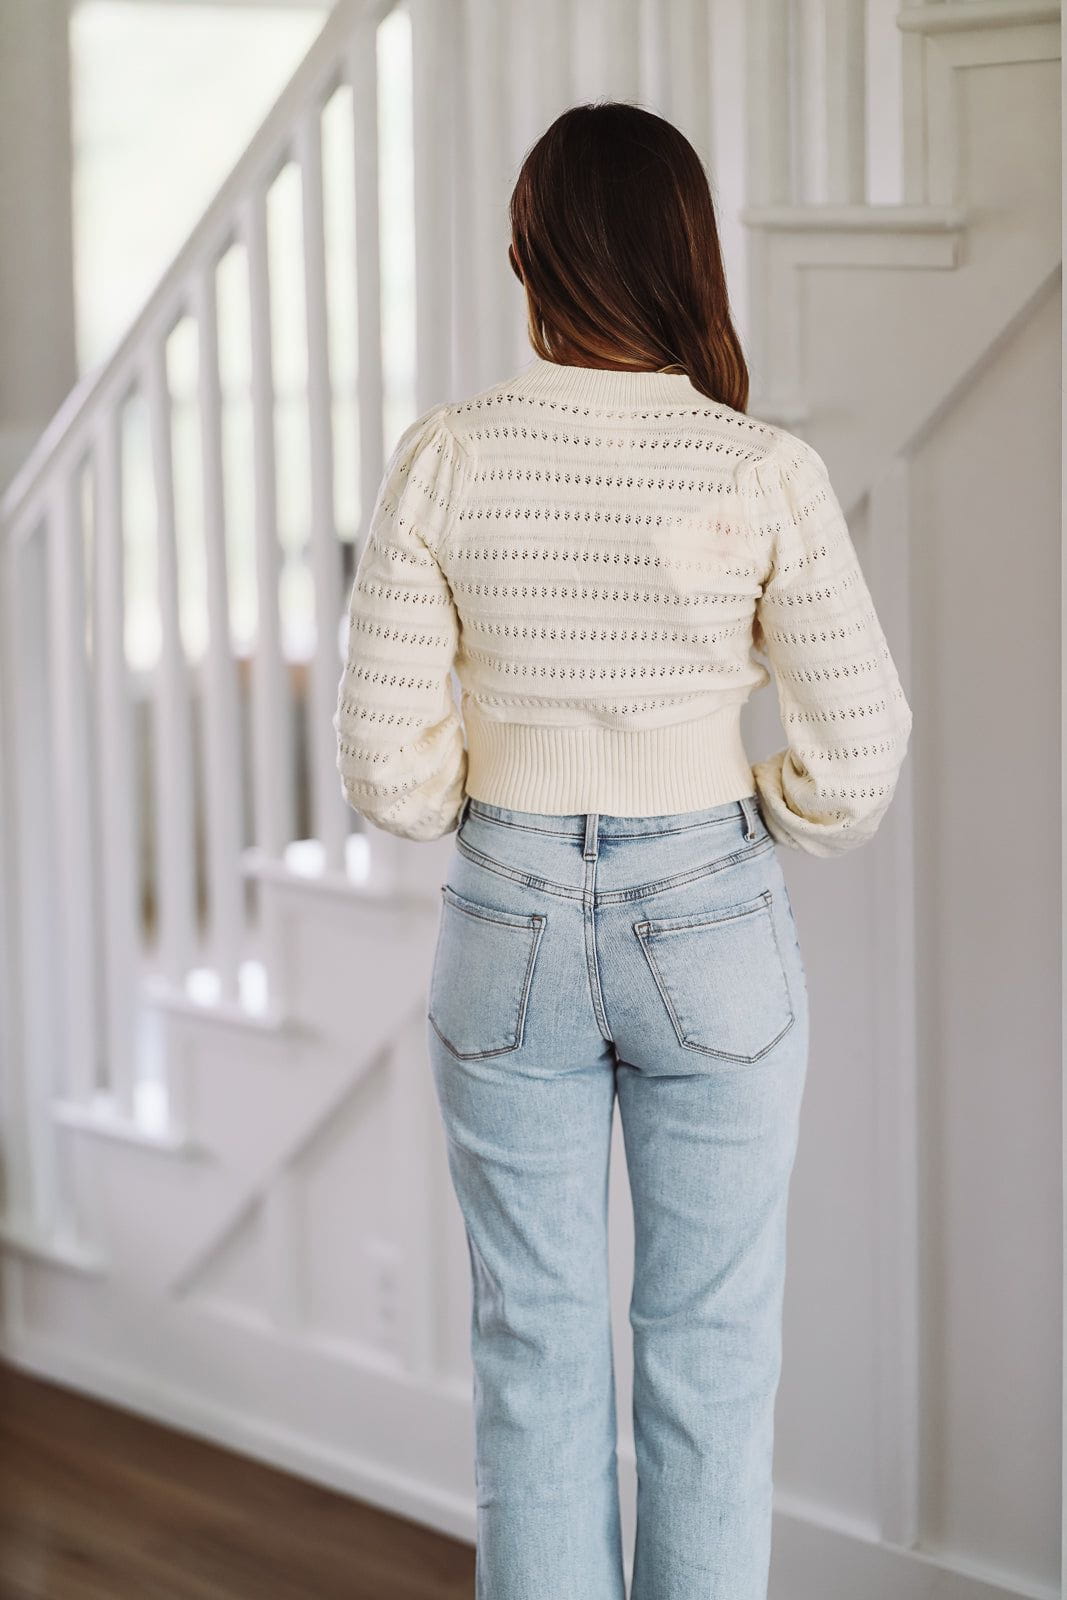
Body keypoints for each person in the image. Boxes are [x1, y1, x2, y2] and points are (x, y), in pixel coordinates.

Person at [333, 101, 912, 1600]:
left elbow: (388, 770)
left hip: (505, 916)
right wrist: (733, 812)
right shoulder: (761, 467)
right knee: (711, 1366)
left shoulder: (450, 455)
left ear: (528, 256)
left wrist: (502, 798)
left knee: (532, 1357)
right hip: (710, 913)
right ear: (687, 253)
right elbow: (855, 758)